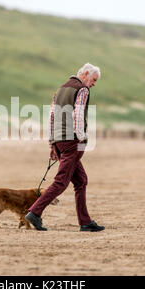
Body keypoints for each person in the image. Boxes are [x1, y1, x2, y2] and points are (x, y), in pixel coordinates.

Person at [25, 63, 105, 232]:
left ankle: (85, 222)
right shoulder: (82, 90)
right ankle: (34, 212)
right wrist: (81, 137)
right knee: (61, 181)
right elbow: (78, 114)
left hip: (60, 140)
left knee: (81, 180)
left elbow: (51, 116)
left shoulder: (60, 89)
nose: (94, 84)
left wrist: (52, 143)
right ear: (85, 74)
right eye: (94, 80)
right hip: (72, 141)